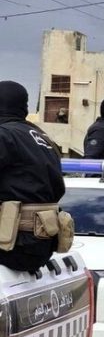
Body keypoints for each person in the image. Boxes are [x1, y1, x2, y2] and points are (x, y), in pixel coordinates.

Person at [0, 81, 69, 271]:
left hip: (12, 245)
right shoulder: (43, 138)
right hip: (43, 245)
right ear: (24, 109)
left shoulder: (4, 135)